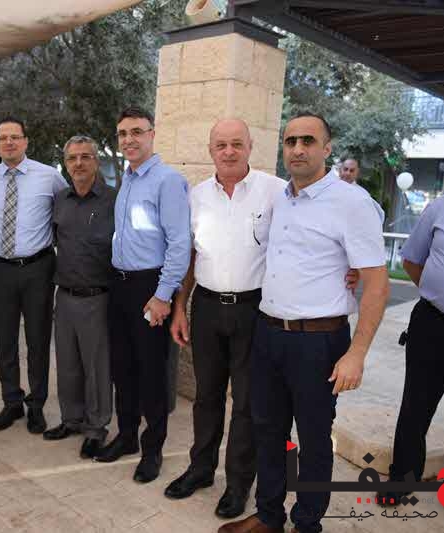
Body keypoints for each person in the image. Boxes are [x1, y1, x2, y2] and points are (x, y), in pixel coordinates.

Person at [220, 113, 389, 533]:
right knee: (268, 431)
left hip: (318, 341)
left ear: (327, 148)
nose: (298, 149)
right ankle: (269, 516)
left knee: (313, 439)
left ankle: (307, 523)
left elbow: (377, 283)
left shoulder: (352, 203)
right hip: (268, 333)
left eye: (308, 141)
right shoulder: (280, 198)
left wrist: (357, 353)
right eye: (290, 141)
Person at [165, 119, 285, 516]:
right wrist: (180, 307)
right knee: (207, 396)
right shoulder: (196, 196)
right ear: (210, 150)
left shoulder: (276, 191)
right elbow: (189, 255)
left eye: (236, 144)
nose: (229, 151)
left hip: (255, 310)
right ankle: (201, 469)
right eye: (221, 145)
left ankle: (238, 484)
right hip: (207, 307)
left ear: (250, 146)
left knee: (247, 402)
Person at [376, 144, 444, 532]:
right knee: (417, 403)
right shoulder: (441, 209)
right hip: (433, 323)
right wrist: (440, 295)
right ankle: (402, 477)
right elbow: (413, 260)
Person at [94, 106, 191, 485]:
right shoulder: (128, 180)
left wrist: (163, 295)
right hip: (119, 285)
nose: (129, 139)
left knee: (151, 372)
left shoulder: (168, 180)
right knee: (123, 367)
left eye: (136, 131)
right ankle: (127, 436)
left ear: (152, 134)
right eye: (123, 133)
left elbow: (180, 244)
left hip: (150, 288)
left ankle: (153, 451)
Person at [0, 117, 68, 434]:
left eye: (15, 137)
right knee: (4, 340)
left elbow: (65, 213)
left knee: (38, 340)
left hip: (38, 268)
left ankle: (36, 405)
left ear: (26, 141)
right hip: (0, 267)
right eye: (3, 137)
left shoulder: (49, 176)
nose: (9, 142)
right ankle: (11, 402)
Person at [43, 135, 115, 459]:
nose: (79, 163)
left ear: (96, 161)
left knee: (97, 368)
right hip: (65, 295)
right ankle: (71, 419)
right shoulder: (60, 200)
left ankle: (96, 428)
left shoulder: (113, 200)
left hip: (98, 297)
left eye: (86, 156)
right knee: (68, 364)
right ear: (65, 163)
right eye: (72, 158)